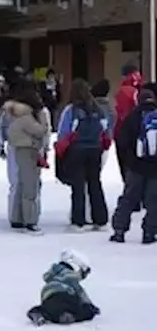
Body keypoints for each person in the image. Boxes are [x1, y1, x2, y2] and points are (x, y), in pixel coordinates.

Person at [56, 78, 110, 230]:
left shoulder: (71, 110)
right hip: (95, 149)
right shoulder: (98, 109)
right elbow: (106, 129)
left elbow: (63, 132)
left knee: (78, 186)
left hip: (76, 150)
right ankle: (100, 219)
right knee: (95, 183)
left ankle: (78, 220)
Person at [110, 86, 157, 244]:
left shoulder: (133, 116)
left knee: (128, 198)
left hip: (136, 166)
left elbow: (122, 141)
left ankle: (119, 230)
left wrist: (129, 160)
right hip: (155, 168)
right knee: (154, 201)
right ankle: (149, 233)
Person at [5, 89, 49, 233]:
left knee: (21, 184)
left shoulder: (13, 116)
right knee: (30, 186)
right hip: (28, 150)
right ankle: (30, 220)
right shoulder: (27, 118)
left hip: (18, 150)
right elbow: (41, 130)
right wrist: (43, 119)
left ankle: (17, 217)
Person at [27, 250, 99, 326]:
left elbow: (45, 277)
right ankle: (71, 317)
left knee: (48, 310)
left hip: (48, 297)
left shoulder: (52, 275)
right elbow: (80, 291)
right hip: (64, 295)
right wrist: (90, 305)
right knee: (87, 311)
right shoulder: (70, 275)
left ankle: (37, 313)